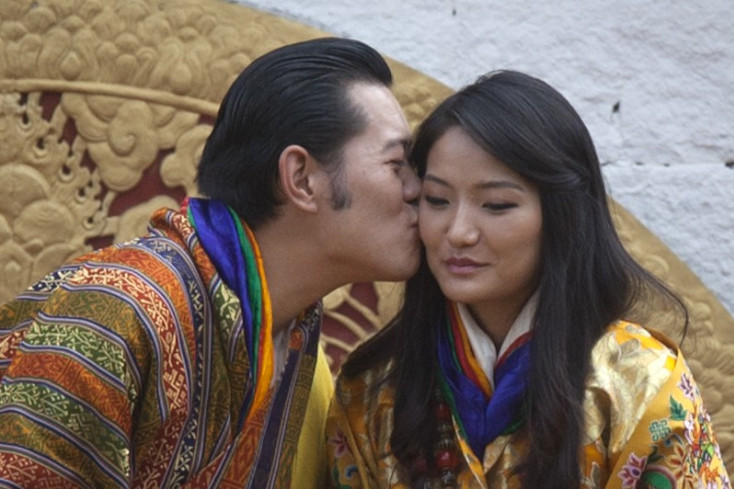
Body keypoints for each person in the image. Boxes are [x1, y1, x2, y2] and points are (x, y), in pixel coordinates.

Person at [0, 37, 421, 488]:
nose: (418, 189)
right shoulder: (108, 316)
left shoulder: (302, 357)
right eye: (397, 164)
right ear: (301, 178)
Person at [326, 70, 731, 488]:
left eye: (497, 205)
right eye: (437, 200)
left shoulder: (642, 383)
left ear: (561, 215)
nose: (459, 231)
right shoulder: (370, 388)